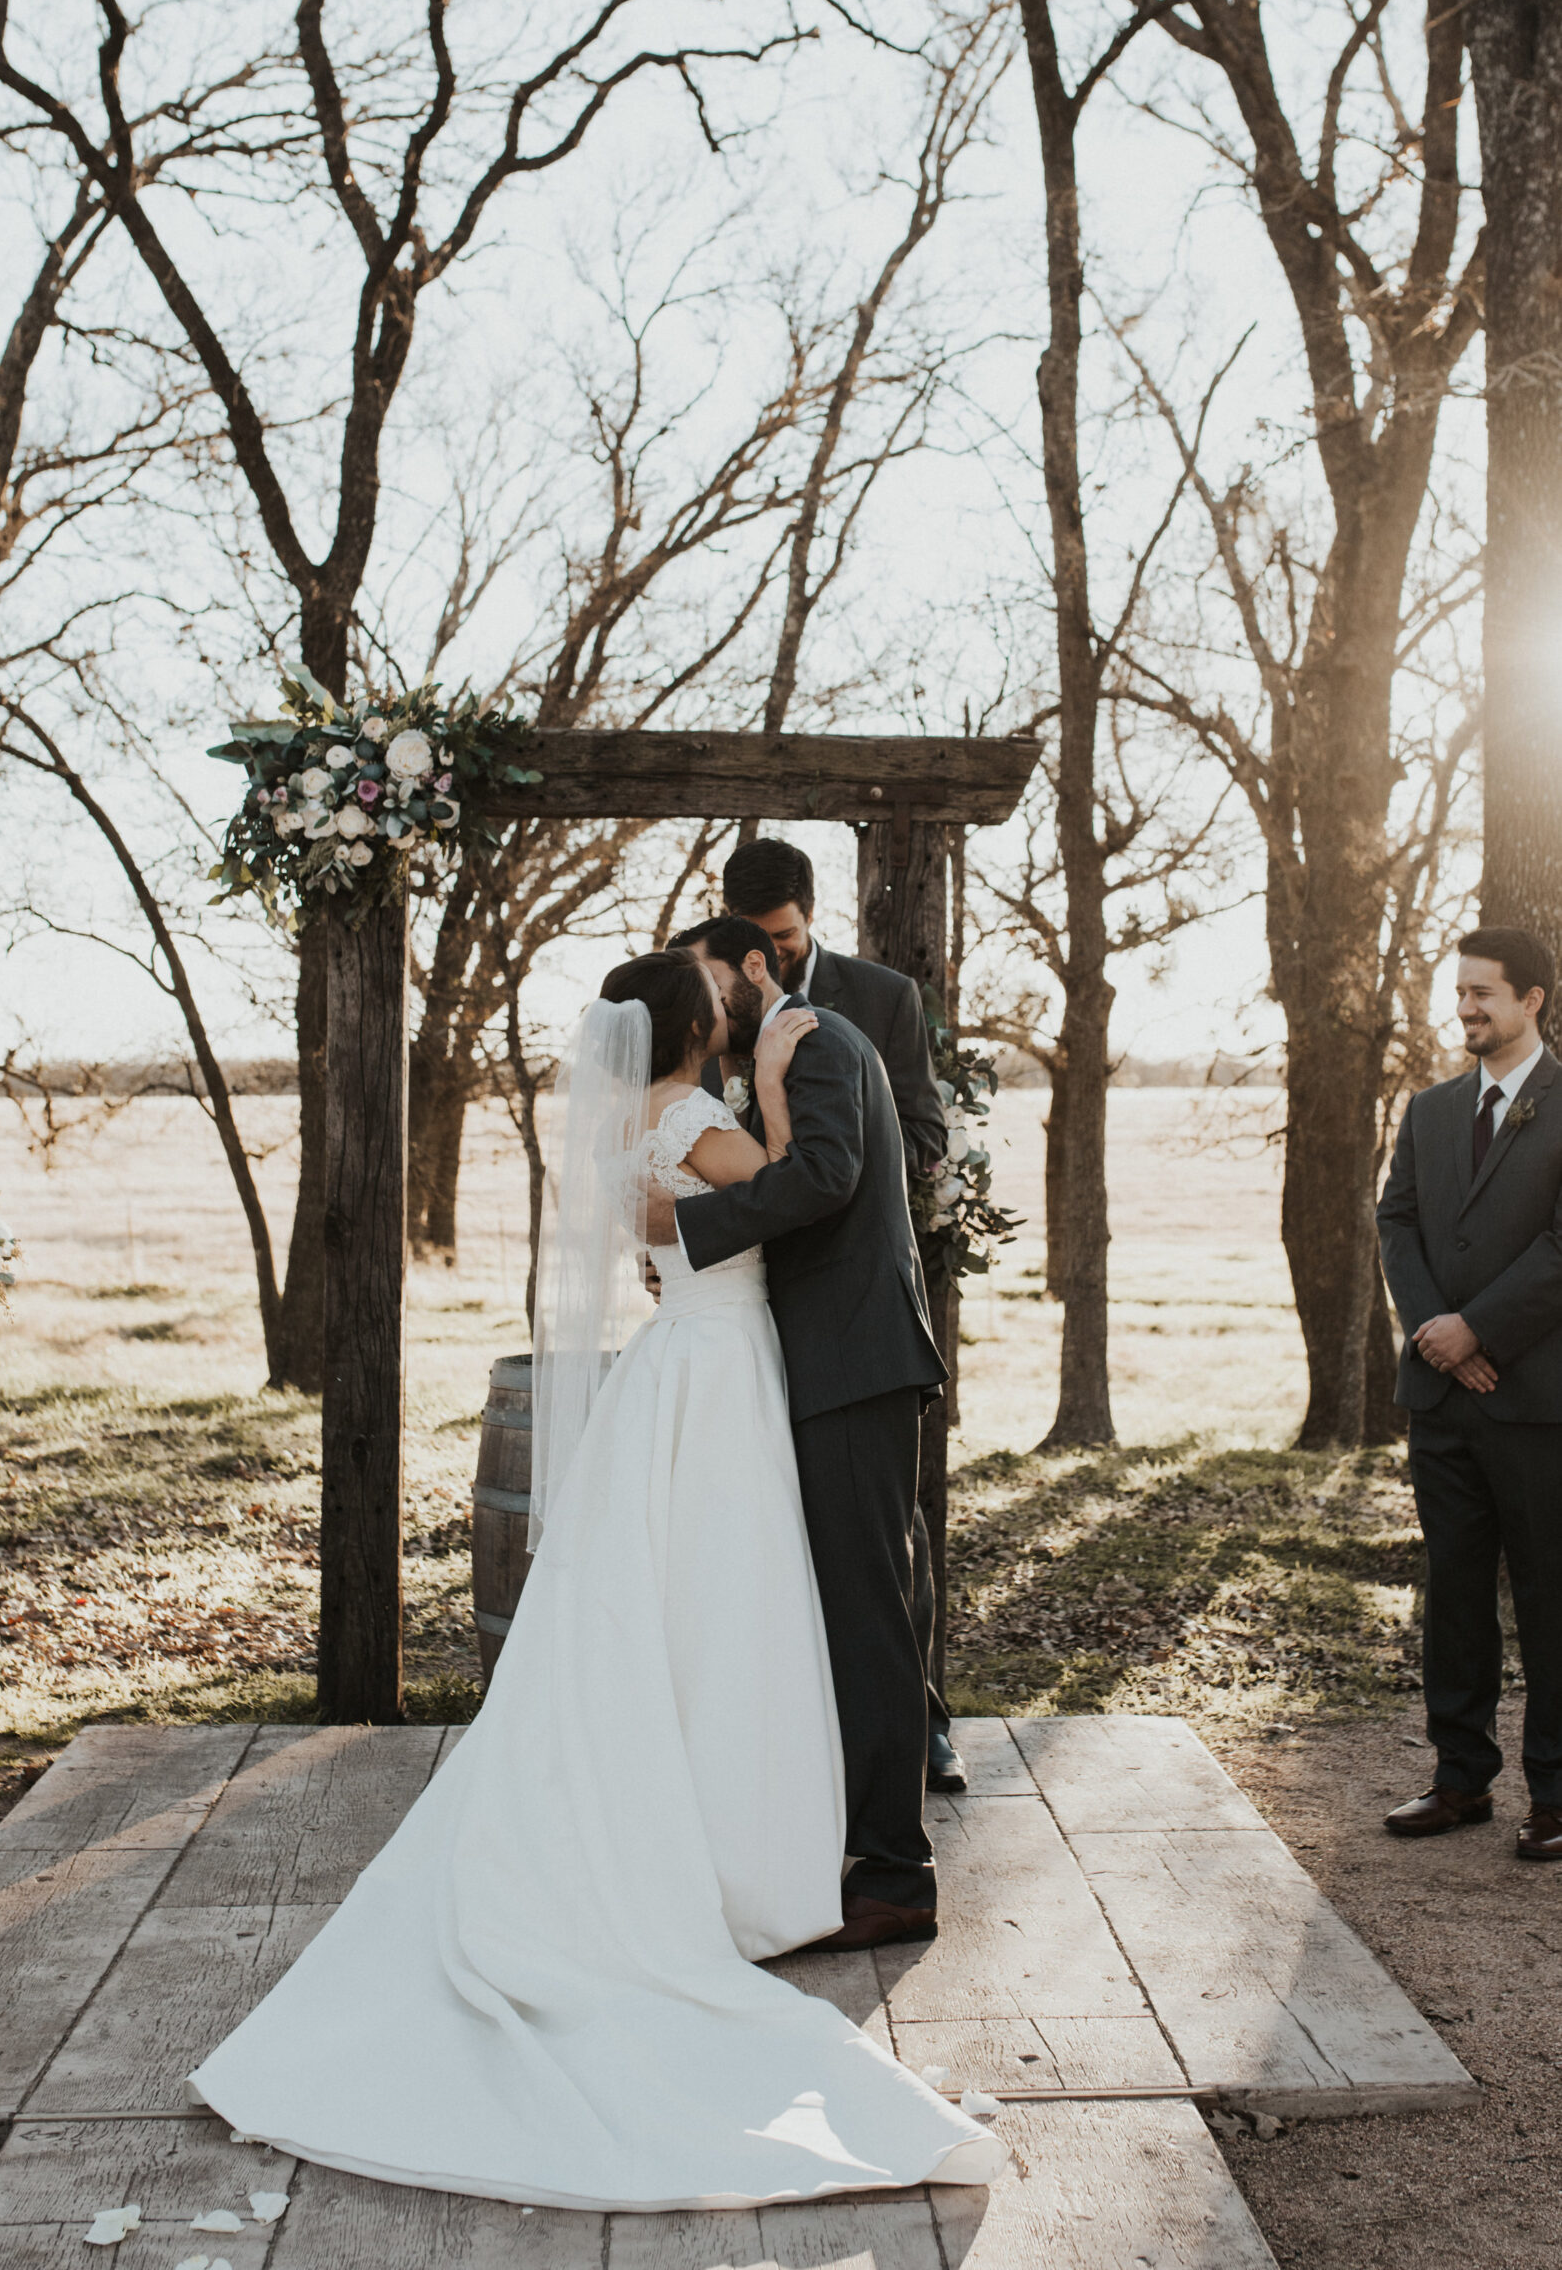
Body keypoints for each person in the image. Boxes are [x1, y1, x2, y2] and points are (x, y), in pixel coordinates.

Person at [190, 948, 1003, 2208]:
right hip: (720, 1369)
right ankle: (758, 1847)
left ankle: (754, 1828)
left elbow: (722, 1214)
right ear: (696, 1020)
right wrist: (770, 1107)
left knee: (682, 1611)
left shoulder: (664, 1107)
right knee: (729, 1611)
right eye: (710, 989)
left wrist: (734, 1147)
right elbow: (797, 1185)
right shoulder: (698, 1109)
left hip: (696, 1359)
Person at [653, 916, 948, 1948]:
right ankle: (844, 1838)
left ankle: (895, 1872)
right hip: (824, 1361)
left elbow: (826, 1179)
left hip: (853, 1363)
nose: (699, 1009)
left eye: (705, 982)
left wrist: (683, 1234)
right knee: (846, 1605)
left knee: (871, 1612)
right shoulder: (776, 1055)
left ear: (751, 966)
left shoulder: (816, 1039)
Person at [715, 835, 965, 1795]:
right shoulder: (720, 1003)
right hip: (756, 1306)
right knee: (800, 1529)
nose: (773, 958)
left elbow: (917, 1125)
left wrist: (859, 1154)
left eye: (784, 937)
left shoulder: (878, 1000)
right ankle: (821, 1732)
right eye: (758, 942)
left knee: (882, 1531)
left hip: (845, 1284)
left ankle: (918, 1729)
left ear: (808, 916)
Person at [1376, 926, 1562, 1863]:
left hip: (1538, 1401)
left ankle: (1558, 1796)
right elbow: (1397, 1217)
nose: (1465, 1009)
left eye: (1483, 994)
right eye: (1459, 993)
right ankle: (1460, 1780)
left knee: (1549, 1595)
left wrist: (1479, 1330)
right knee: (1453, 1595)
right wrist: (1437, 1335)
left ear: (1533, 999)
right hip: (1443, 1399)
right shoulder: (1433, 1109)